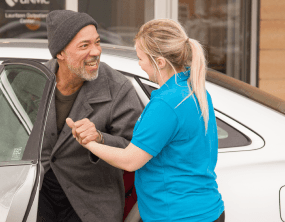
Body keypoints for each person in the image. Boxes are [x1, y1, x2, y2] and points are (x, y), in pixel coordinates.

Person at [67, 19, 225, 222]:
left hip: (178, 216)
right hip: (204, 210)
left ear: (159, 62)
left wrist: (88, 142)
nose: (139, 64)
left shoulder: (167, 104)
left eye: (140, 58)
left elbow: (130, 161)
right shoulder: (191, 90)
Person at [38, 10, 143, 222]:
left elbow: (137, 151)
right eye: (84, 46)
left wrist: (100, 139)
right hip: (37, 195)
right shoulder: (31, 82)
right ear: (60, 53)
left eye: (97, 42)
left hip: (91, 202)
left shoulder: (118, 87)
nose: (95, 51)